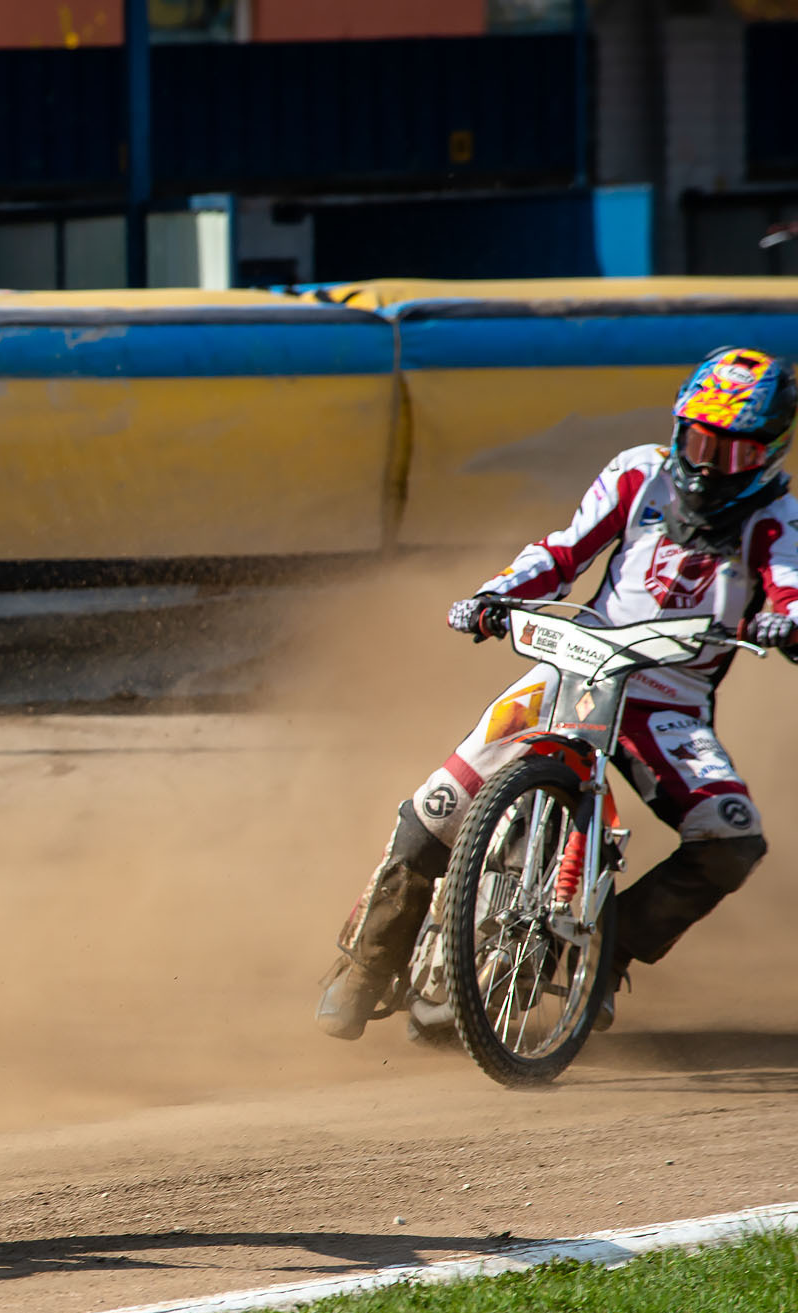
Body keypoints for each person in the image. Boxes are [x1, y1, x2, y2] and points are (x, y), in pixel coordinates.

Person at [316, 347, 798, 1041]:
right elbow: (564, 551)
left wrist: (786, 618)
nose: (707, 464)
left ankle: (606, 954)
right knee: (438, 805)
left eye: (732, 452)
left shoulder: (777, 520)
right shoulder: (638, 475)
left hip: (669, 704)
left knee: (733, 838)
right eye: (698, 440)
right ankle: (365, 963)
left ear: (770, 453)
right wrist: (496, 596)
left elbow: (787, 584)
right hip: (571, 668)